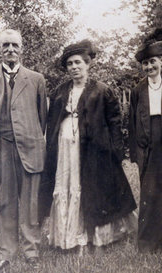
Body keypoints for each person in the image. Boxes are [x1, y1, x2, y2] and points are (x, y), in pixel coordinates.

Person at [39, 39, 137, 253]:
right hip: (65, 149)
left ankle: (95, 239)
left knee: (92, 190)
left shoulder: (102, 91)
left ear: (87, 64)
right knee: (67, 185)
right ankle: (70, 238)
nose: (74, 68)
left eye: (78, 63)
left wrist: (116, 152)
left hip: (94, 150)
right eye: (70, 64)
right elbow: (52, 121)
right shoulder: (59, 92)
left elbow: (114, 122)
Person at [0, 29, 47, 272]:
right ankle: (5, 253)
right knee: (3, 203)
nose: (10, 50)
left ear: (22, 48)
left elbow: (42, 118)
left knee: (30, 203)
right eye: (6, 45)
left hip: (30, 148)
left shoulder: (36, 79)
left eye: (15, 45)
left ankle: (32, 251)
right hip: (0, 150)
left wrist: (29, 137)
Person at [129, 27, 162, 252]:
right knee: (150, 194)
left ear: (161, 62)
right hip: (148, 147)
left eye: (153, 62)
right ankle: (148, 244)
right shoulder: (137, 91)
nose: (149, 67)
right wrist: (136, 154)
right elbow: (131, 123)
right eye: (145, 64)